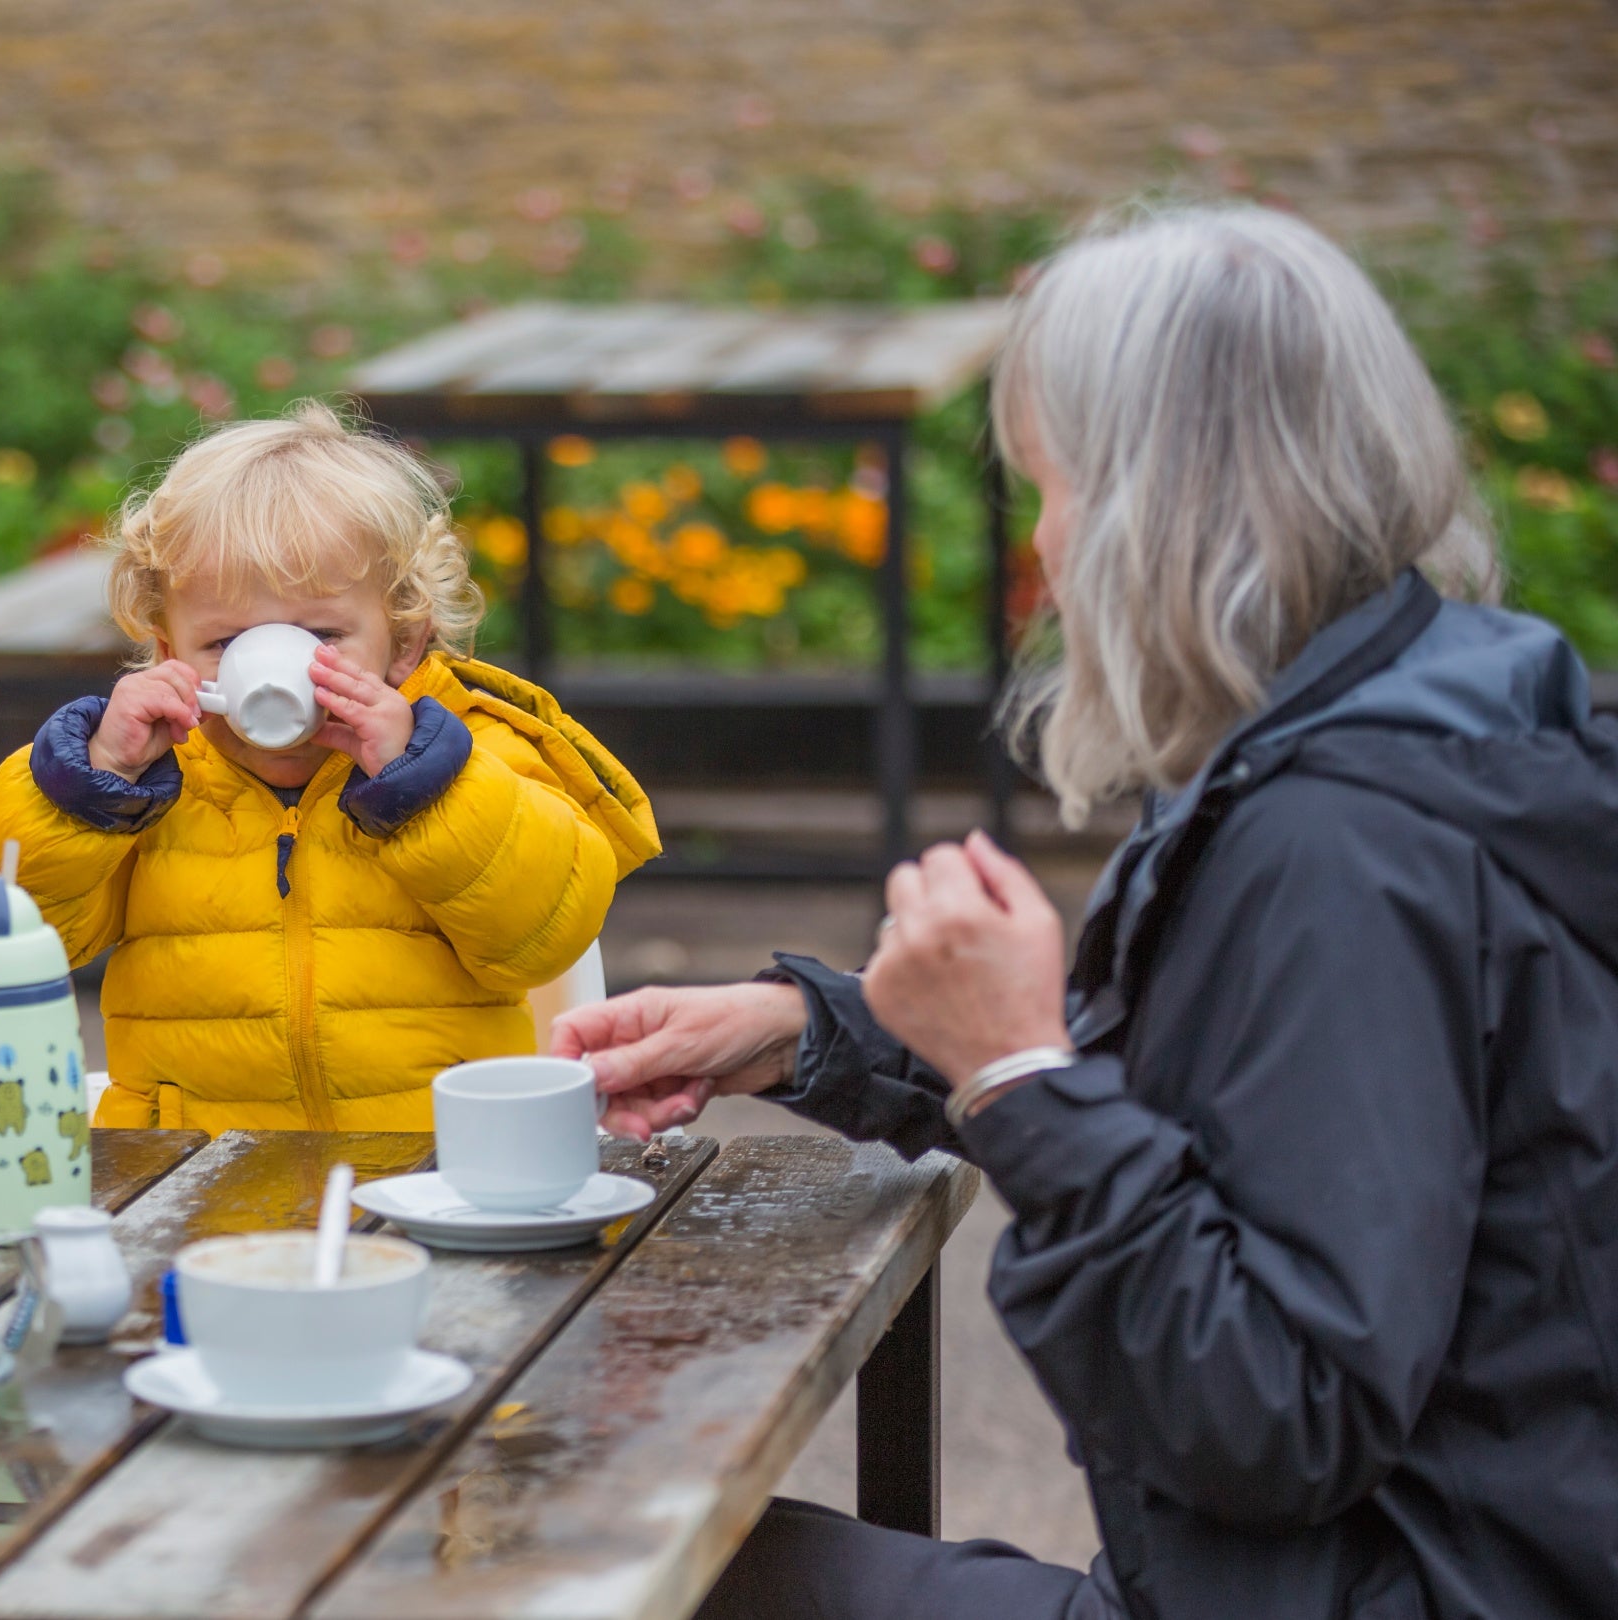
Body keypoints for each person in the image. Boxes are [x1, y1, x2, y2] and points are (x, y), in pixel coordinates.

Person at [557, 204, 1618, 1620]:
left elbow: (1267, 1420)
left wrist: (1012, 1071)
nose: (1042, 551)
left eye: (1051, 488)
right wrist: (819, 1032)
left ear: (1156, 509)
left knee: (605, 1561)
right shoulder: (1420, 712)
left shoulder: (1347, 846)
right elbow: (1238, 1121)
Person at [0, 404, 660, 1133]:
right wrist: (90, 781)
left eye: (319, 633)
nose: (273, 665)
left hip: (431, 1170)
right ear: (167, 650)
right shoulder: (149, 773)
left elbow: (544, 935)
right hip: (192, 1176)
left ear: (404, 645)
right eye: (225, 641)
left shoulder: (467, 752)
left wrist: (421, 786)